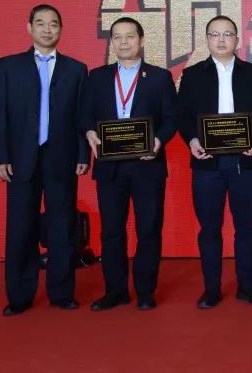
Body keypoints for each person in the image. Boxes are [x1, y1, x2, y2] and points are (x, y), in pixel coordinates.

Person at [0, 4, 88, 316]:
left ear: (61, 29)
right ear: (29, 28)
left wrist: (83, 154)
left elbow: (81, 117)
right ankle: (20, 294)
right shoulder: (7, 67)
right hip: (20, 159)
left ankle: (62, 292)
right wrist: (0, 157)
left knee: (62, 227)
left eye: (54, 24)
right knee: (21, 227)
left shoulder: (76, 69)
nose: (47, 29)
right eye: (41, 23)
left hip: (62, 159)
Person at [177, 15, 252, 309]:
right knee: (209, 228)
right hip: (207, 163)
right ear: (207, 39)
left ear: (237, 40)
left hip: (245, 161)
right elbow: (183, 115)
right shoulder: (192, 75)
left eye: (227, 34)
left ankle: (247, 287)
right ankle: (211, 289)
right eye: (215, 34)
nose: (221, 40)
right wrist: (192, 140)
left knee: (246, 227)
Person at [80, 17, 177, 311]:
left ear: (142, 40)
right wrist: (90, 132)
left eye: (130, 36)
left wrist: (158, 141)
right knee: (111, 230)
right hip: (110, 167)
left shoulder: (159, 77)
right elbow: (84, 114)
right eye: (117, 37)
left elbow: (171, 118)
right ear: (111, 42)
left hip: (148, 164)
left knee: (149, 229)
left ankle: (146, 290)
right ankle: (116, 290)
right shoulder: (97, 77)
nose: (124, 42)